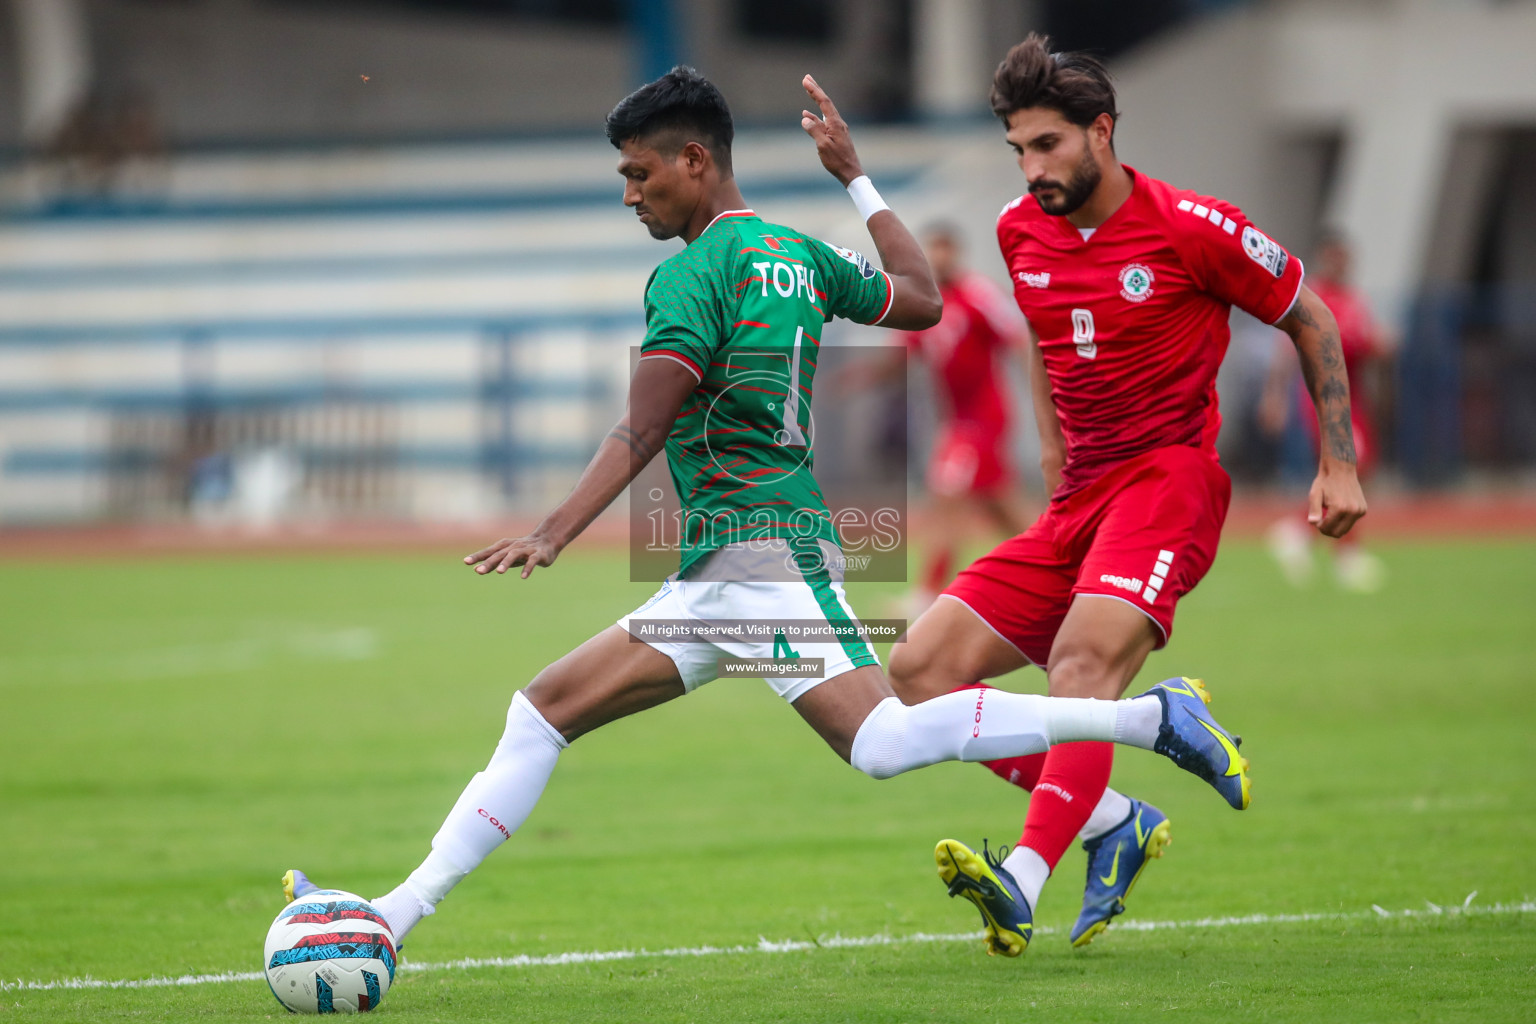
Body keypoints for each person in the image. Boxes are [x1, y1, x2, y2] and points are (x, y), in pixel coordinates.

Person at [280, 67, 1250, 952]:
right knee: (540, 714)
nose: (630, 194)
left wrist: (551, 531)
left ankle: (1147, 717)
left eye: (638, 173)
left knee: (880, 743)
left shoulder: (690, 275)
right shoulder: (797, 252)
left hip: (770, 557)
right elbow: (920, 297)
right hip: (717, 571)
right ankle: (393, 916)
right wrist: (858, 182)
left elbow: (640, 427)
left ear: (693, 161)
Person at [886, 35, 1366, 957]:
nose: (1032, 170)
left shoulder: (1193, 227)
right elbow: (1040, 332)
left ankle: (1022, 881)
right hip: (1078, 499)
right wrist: (1050, 449)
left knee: (1081, 663)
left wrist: (1337, 461)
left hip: (1167, 481)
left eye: (1049, 147)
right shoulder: (1018, 230)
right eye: (1019, 150)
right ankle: (1112, 820)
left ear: (1101, 132)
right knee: (916, 673)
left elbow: (1310, 314)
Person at [844, 223, 1035, 613]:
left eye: (945, 249)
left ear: (956, 253)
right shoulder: (929, 304)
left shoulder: (977, 295)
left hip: (984, 418)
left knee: (947, 495)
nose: (939, 258)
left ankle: (928, 594)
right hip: (957, 420)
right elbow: (902, 354)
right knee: (1003, 508)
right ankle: (1065, 561)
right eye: (933, 250)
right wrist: (856, 378)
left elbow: (1017, 339)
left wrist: (1044, 392)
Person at [1260, 230, 1391, 592]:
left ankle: (1298, 533)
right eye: (1335, 256)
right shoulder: (1312, 297)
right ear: (1324, 257)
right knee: (1349, 467)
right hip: (1326, 401)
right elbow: (1286, 353)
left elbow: (1365, 340)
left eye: (1345, 257)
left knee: (1361, 471)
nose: (1342, 263)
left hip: (1357, 400)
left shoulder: (1354, 299)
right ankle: (1343, 555)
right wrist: (1274, 398)